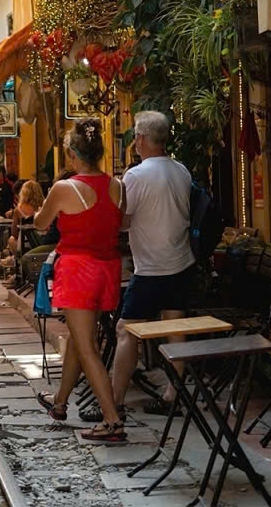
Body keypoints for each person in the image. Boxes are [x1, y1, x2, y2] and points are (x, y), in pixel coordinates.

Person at [33, 118, 127, 444]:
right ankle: (59, 403)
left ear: (73, 155)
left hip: (78, 271)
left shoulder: (65, 188)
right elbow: (119, 220)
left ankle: (112, 420)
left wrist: (41, 208)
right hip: (107, 269)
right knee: (79, 338)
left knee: (87, 347)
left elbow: (40, 223)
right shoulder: (118, 185)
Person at [110, 110, 196, 417]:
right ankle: (172, 395)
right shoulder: (182, 171)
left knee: (126, 330)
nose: (133, 140)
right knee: (175, 327)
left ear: (143, 139)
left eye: (135, 135)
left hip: (150, 268)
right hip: (181, 261)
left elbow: (122, 223)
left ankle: (115, 402)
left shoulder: (135, 176)